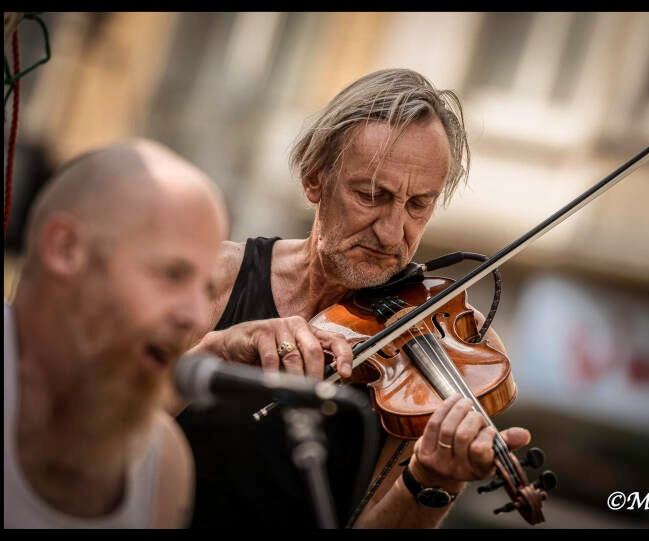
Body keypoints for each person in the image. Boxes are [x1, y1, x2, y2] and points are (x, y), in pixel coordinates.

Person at [174, 68, 533, 529]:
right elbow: (109, 433)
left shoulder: (447, 348)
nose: (392, 233)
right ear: (315, 179)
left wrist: (430, 484)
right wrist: (215, 351)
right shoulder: (211, 278)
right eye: (371, 195)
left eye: (418, 204)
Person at [4, 139, 353, 528]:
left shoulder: (164, 466)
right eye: (172, 274)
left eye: (205, 289)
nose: (196, 315)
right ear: (66, 248)